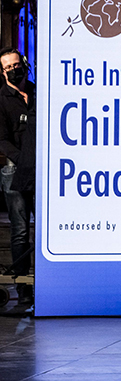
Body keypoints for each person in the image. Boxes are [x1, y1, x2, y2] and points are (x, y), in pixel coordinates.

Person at [0, 48, 35, 308]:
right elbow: (2, 140)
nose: (14, 69)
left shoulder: (38, 91)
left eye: (16, 64)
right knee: (20, 230)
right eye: (8, 67)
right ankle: (24, 290)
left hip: (42, 171)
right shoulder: (1, 99)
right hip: (15, 170)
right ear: (2, 72)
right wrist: (23, 160)